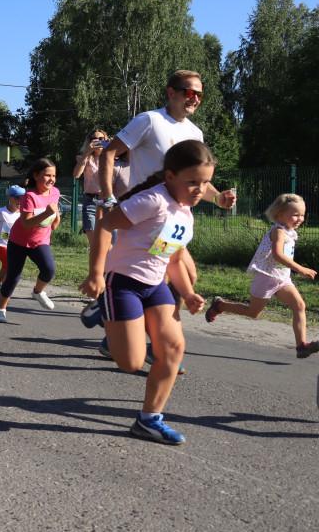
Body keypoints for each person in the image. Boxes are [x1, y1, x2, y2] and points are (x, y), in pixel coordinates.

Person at [80, 140, 215, 445]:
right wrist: (96, 274)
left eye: (205, 182)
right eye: (192, 181)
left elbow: (175, 258)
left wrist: (188, 293)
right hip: (123, 284)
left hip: (155, 287)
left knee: (173, 348)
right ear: (170, 177)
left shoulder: (185, 213)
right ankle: (105, 307)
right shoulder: (152, 201)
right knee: (131, 362)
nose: (199, 189)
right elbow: (104, 226)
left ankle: (149, 419)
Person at [96, 70, 235, 360]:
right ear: (171, 92)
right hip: (144, 213)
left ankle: (119, 323)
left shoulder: (195, 133)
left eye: (200, 94)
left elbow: (198, 178)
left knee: (183, 275)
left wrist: (218, 198)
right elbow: (110, 153)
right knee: (172, 274)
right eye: (189, 92)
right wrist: (108, 196)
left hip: (174, 218)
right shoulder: (149, 120)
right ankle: (142, 332)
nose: (195, 99)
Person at [206, 193, 319, 358]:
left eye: (302, 214)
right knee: (253, 312)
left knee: (299, 306)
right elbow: (277, 255)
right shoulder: (279, 232)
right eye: (295, 214)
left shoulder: (290, 231)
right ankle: (220, 306)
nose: (300, 218)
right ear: (280, 214)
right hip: (266, 277)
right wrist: (300, 269)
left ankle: (301, 346)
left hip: (282, 279)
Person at [0, 159, 61, 322]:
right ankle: (0, 307)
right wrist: (46, 213)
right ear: (36, 176)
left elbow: (54, 210)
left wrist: (56, 217)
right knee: (13, 276)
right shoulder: (29, 196)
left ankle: (38, 291)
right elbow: (26, 223)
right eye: (47, 175)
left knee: (49, 269)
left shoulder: (55, 192)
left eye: (54, 175)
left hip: (40, 241)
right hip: (19, 241)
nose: (51, 179)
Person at [73, 129, 109, 236]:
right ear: (89, 141)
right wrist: (87, 152)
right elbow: (76, 174)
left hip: (108, 200)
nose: (98, 141)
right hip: (91, 201)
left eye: (101, 139)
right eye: (94, 139)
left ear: (106, 140)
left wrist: (113, 148)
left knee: (110, 239)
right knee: (93, 241)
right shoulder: (84, 158)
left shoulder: (111, 157)